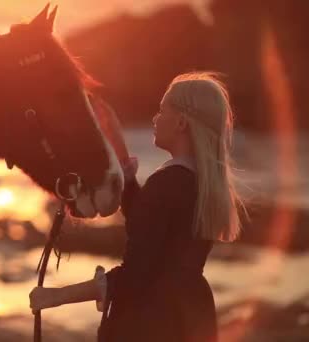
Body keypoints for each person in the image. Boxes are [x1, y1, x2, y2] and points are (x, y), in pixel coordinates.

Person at [29, 72, 246, 342]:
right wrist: (120, 154)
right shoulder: (200, 184)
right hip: (191, 313)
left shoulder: (165, 184)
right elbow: (150, 226)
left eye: (161, 110)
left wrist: (57, 296)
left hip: (151, 322)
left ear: (180, 122)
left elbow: (133, 277)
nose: (155, 118)